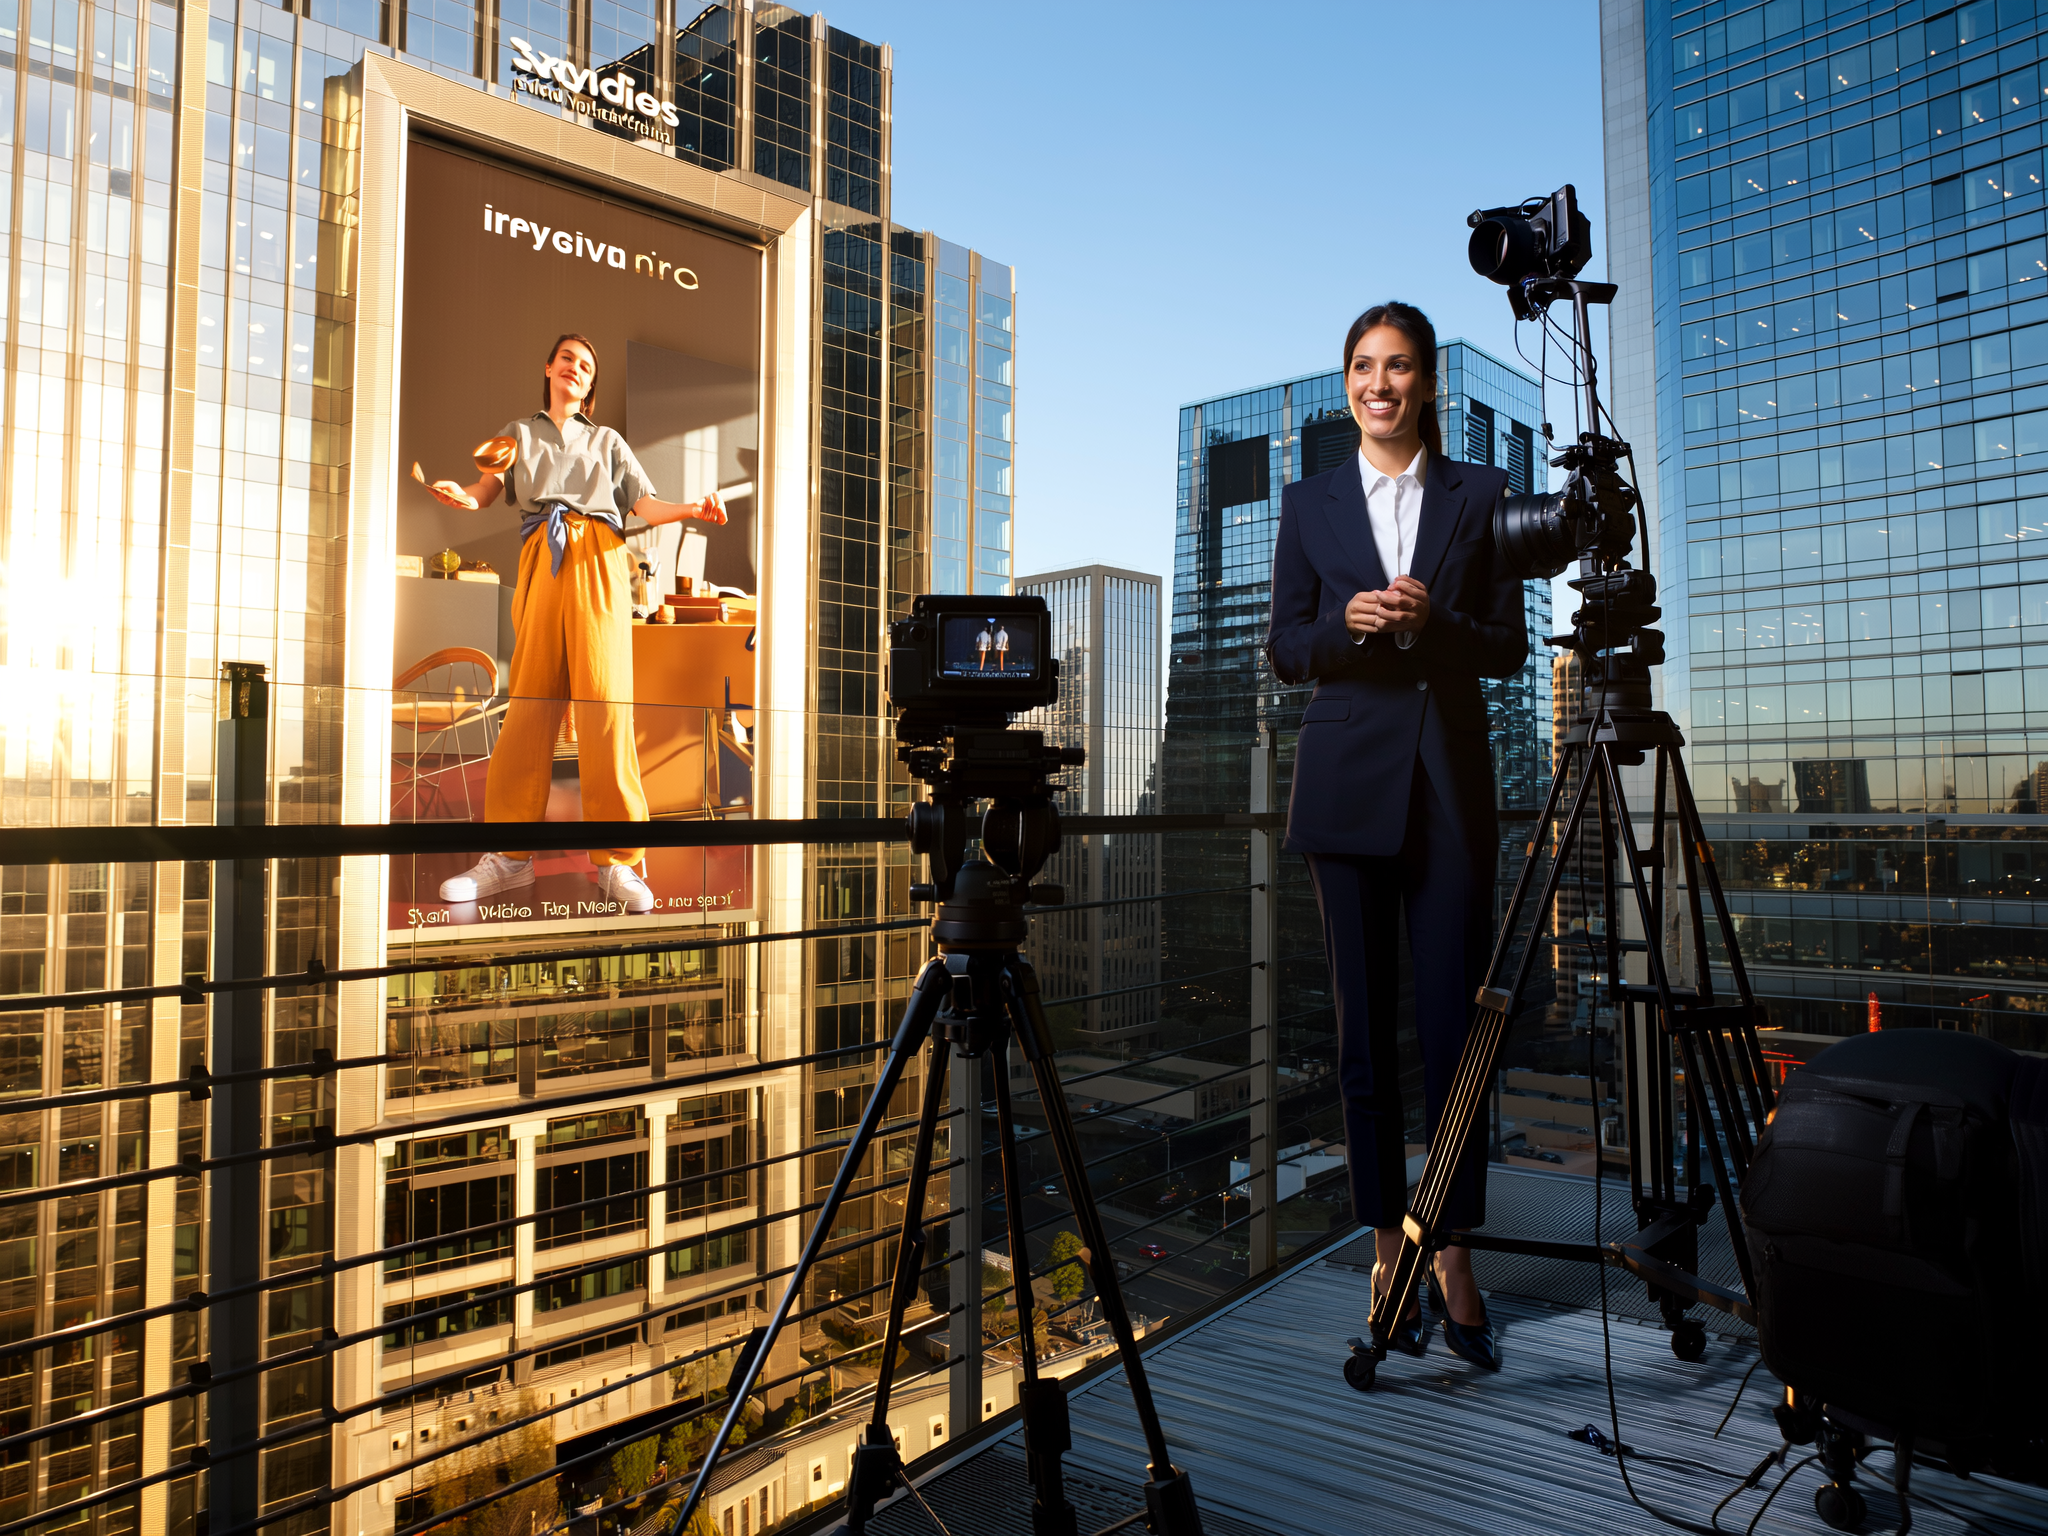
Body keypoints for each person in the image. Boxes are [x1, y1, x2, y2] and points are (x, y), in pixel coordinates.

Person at [1264, 301, 1527, 1371]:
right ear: (1346, 387)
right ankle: (1386, 1248)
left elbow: (1507, 646)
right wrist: (1350, 626)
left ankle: (1451, 1250)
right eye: (1363, 368)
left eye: (1400, 367)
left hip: (1449, 784)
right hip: (1344, 780)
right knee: (1363, 1037)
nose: (1380, 384)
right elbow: (1285, 646)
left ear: (1425, 385)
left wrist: (1431, 626)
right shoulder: (1307, 501)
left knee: (1455, 1032)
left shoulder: (1480, 493)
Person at [423, 333, 727, 914]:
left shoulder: (607, 441)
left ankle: (621, 862)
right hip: (542, 555)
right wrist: (458, 494)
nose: (575, 369)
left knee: (606, 708)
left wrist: (692, 509)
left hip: (598, 559)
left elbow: (643, 506)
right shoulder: (518, 433)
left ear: (590, 385)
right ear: (549, 367)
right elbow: (484, 490)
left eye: (586, 367)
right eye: (567, 359)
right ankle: (509, 859)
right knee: (530, 706)